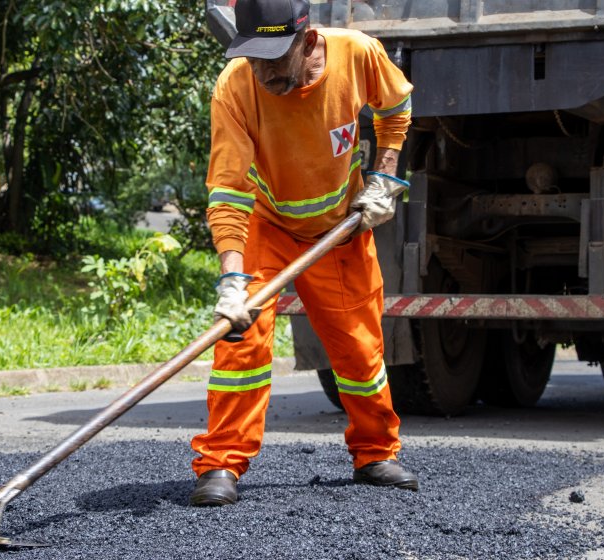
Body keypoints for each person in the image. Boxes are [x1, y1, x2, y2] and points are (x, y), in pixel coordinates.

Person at [190, 0, 417, 506]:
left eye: (275, 57)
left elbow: (395, 107)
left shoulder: (357, 54)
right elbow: (227, 190)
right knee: (240, 342)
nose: (264, 70)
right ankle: (221, 463)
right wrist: (232, 279)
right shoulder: (235, 85)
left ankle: (375, 452)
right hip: (266, 224)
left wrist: (383, 173)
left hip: (337, 227)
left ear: (308, 42)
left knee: (360, 348)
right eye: (254, 57)